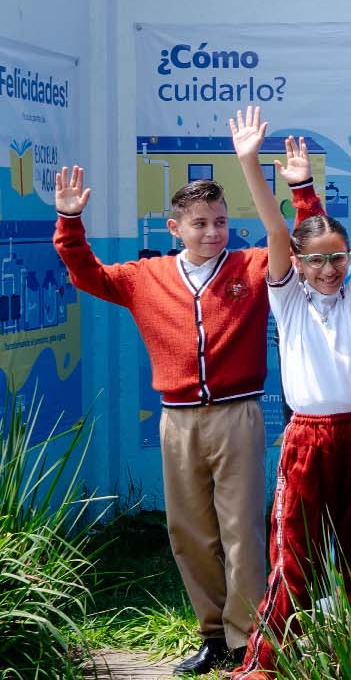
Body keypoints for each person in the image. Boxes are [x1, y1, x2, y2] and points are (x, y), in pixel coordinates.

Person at [53, 145, 322, 676]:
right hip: (177, 420)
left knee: (242, 529)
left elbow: (305, 241)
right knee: (188, 532)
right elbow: (87, 274)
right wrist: (69, 221)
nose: (212, 232)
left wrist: (303, 190)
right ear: (175, 227)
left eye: (220, 222)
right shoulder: (145, 276)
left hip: (238, 415)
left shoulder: (253, 264)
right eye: (199, 223)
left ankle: (249, 640)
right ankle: (213, 634)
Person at [227, 105, 351, 679]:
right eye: (317, 260)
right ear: (296, 265)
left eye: (337, 258)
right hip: (308, 438)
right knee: (293, 558)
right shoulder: (289, 299)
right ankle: (264, 666)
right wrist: (251, 163)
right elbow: (278, 230)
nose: (328, 269)